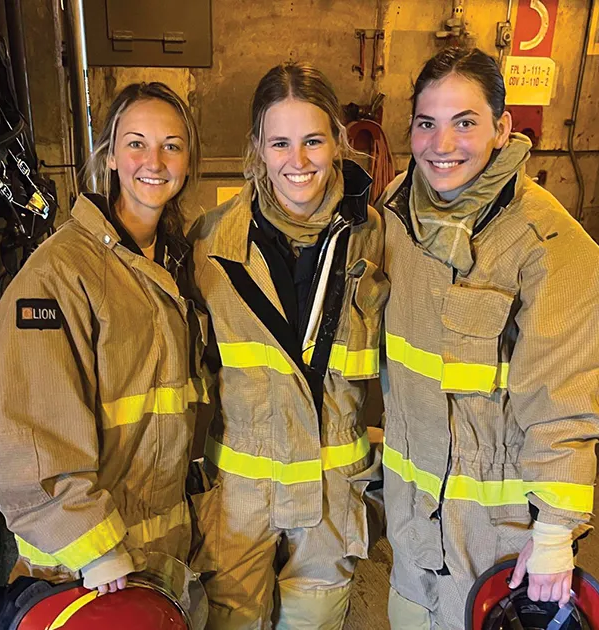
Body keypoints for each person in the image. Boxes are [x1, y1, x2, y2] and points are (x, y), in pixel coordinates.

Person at [377, 47, 599, 629]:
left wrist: (556, 532)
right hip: (413, 531)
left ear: (502, 129)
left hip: (495, 543)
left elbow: (564, 401)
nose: (442, 146)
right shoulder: (395, 212)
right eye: (427, 123)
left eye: (465, 123)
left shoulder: (548, 247)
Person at [0, 82, 206, 594]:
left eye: (172, 145)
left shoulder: (172, 261)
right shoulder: (61, 272)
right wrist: (93, 547)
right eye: (137, 142)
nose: (155, 160)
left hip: (158, 552)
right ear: (113, 156)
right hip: (83, 569)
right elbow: (22, 427)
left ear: (188, 162)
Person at [187, 62, 387, 629]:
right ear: (257, 147)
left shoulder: (376, 239)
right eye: (280, 142)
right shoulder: (210, 245)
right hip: (241, 504)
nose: (297, 162)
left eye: (313, 141)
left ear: (337, 143)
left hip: (329, 502)